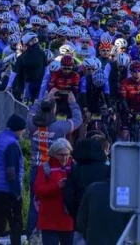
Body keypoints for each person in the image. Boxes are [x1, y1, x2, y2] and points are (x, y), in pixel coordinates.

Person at [26, 91, 83, 236]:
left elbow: (31, 111)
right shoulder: (60, 127)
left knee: (34, 204)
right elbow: (78, 119)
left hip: (35, 167)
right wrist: (72, 102)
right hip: (54, 168)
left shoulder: (32, 124)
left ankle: (31, 235)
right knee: (56, 203)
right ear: (54, 110)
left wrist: (44, 98)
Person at [0, 114, 27, 245]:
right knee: (16, 224)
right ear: (18, 129)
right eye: (23, 129)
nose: (24, 132)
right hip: (7, 190)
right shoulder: (12, 145)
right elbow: (11, 172)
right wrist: (17, 194)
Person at [33, 138, 75, 245]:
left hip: (68, 219)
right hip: (49, 219)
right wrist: (57, 186)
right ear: (53, 153)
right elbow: (38, 190)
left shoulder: (74, 167)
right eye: (61, 155)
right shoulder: (45, 168)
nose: (64, 158)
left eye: (67, 154)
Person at [63, 137, 110, 227]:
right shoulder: (107, 169)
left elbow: (69, 195)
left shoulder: (76, 170)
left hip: (80, 213)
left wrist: (75, 215)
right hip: (103, 213)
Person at [76, 179, 132, 245]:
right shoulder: (128, 193)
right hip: (117, 240)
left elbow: (81, 222)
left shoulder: (93, 189)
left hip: (94, 240)